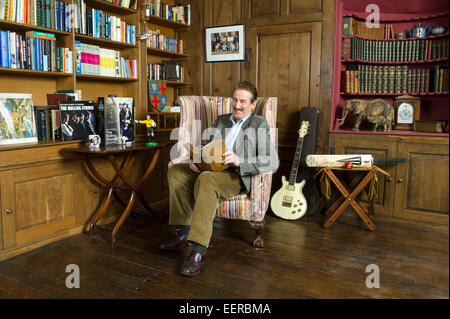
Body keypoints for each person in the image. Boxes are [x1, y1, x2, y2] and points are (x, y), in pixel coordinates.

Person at [161, 81, 279, 277]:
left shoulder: (259, 124)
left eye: (243, 101)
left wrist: (239, 160)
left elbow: (272, 161)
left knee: (207, 179)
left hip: (235, 176)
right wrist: (197, 160)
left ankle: (198, 251)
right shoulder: (222, 120)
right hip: (212, 169)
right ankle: (184, 230)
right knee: (176, 171)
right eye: (235, 100)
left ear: (252, 104)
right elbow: (207, 146)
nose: (237, 105)